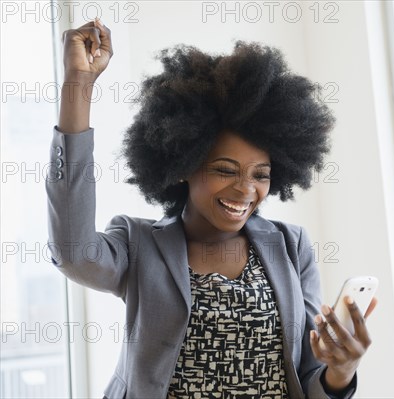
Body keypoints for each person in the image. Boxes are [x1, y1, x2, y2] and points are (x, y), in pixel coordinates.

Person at [46, 18, 377, 399]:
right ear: (184, 163)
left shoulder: (290, 246)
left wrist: (341, 371)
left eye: (261, 175)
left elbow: (308, 380)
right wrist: (78, 85)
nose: (246, 190)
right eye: (225, 170)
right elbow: (72, 253)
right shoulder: (139, 244)